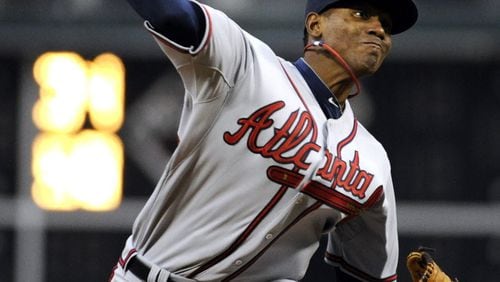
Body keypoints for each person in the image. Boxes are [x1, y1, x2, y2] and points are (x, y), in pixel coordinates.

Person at [110, 0, 419, 281]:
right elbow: (170, 13)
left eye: (387, 27)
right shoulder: (246, 65)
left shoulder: (372, 161)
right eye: (361, 14)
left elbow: (365, 275)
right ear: (315, 25)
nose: (379, 30)